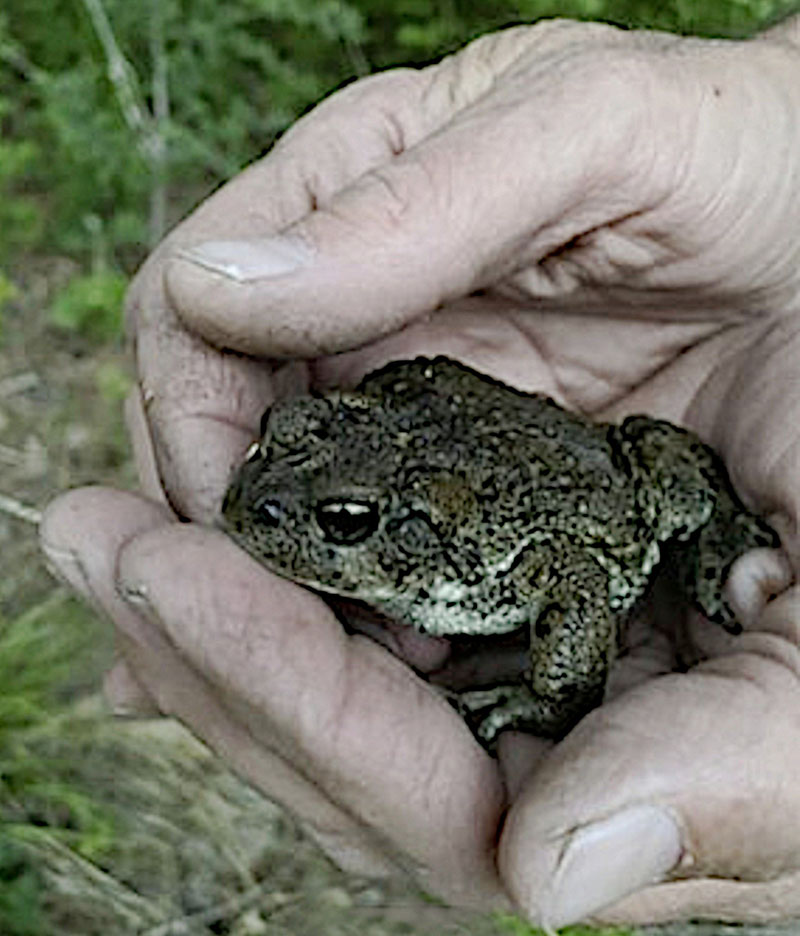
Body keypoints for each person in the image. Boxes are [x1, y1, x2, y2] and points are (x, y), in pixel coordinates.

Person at [40, 14, 800, 928]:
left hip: (594, 476)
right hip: (472, 428)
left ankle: (712, 537)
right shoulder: (341, 447)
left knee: (668, 479)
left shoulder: (479, 559)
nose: (264, 501)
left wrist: (550, 694)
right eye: (275, 441)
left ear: (406, 537)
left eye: (345, 522)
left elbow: (573, 578)